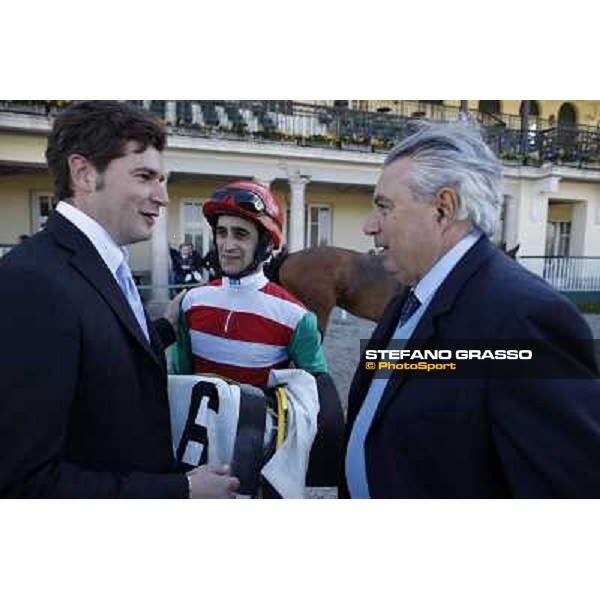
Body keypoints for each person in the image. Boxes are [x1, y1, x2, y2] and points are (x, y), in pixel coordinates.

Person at [343, 120, 600, 498]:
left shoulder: (523, 318)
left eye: (384, 207)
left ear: (443, 209)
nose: (369, 226)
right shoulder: (411, 297)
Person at [0, 101, 239, 498]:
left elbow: (99, 353)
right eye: (145, 176)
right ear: (84, 173)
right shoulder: (32, 281)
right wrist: (178, 492)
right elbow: (25, 482)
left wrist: (162, 328)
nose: (163, 197)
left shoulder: (103, 262)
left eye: (162, 179)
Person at [173, 180, 344, 486]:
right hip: (191, 458)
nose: (227, 245)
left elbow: (318, 400)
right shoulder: (191, 302)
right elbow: (178, 381)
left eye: (240, 234)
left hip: (254, 461)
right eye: (221, 233)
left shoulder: (297, 317)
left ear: (265, 243)